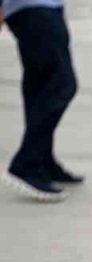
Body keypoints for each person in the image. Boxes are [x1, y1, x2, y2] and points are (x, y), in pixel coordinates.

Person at [0, 0, 81, 202]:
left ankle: (43, 160)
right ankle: (27, 163)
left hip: (42, 7)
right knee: (62, 84)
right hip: (32, 7)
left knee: (39, 82)